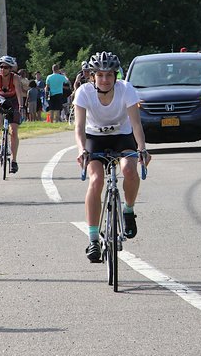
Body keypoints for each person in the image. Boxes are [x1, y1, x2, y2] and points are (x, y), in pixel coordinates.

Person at [73, 51, 150, 263]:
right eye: (100, 75)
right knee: (96, 180)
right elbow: (79, 127)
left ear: (116, 76)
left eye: (109, 75)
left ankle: (128, 211)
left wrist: (142, 148)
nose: (105, 80)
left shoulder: (126, 89)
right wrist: (81, 149)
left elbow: (135, 124)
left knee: (129, 170)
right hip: (94, 138)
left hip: (122, 136)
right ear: (92, 77)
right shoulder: (84, 92)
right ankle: (93, 240)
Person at [0, 56, 23, 173]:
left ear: (10, 69)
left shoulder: (15, 78)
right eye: (1, 67)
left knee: (14, 131)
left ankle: (14, 161)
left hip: (12, 100)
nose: (3, 69)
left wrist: (21, 107)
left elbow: (19, 94)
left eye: (6, 67)